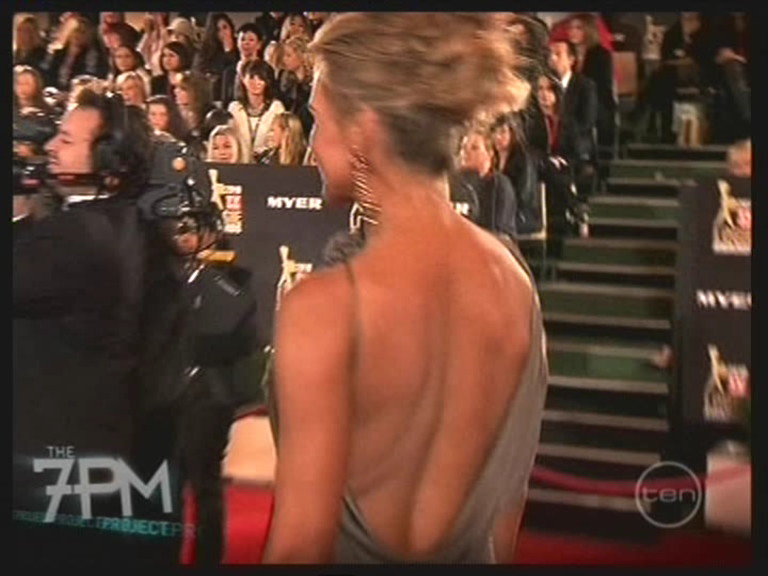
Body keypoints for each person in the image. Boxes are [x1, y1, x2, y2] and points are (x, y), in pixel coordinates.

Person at [256, 13, 548, 564]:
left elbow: (299, 546)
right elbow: (508, 507)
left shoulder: (325, 307)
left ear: (363, 131)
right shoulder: (511, 278)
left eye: (318, 120)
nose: (312, 143)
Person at [13, 90, 158, 563]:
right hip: (98, 452)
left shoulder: (76, 234)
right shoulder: (125, 223)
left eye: (67, 140)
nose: (50, 147)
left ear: (110, 164)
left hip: (48, 462)